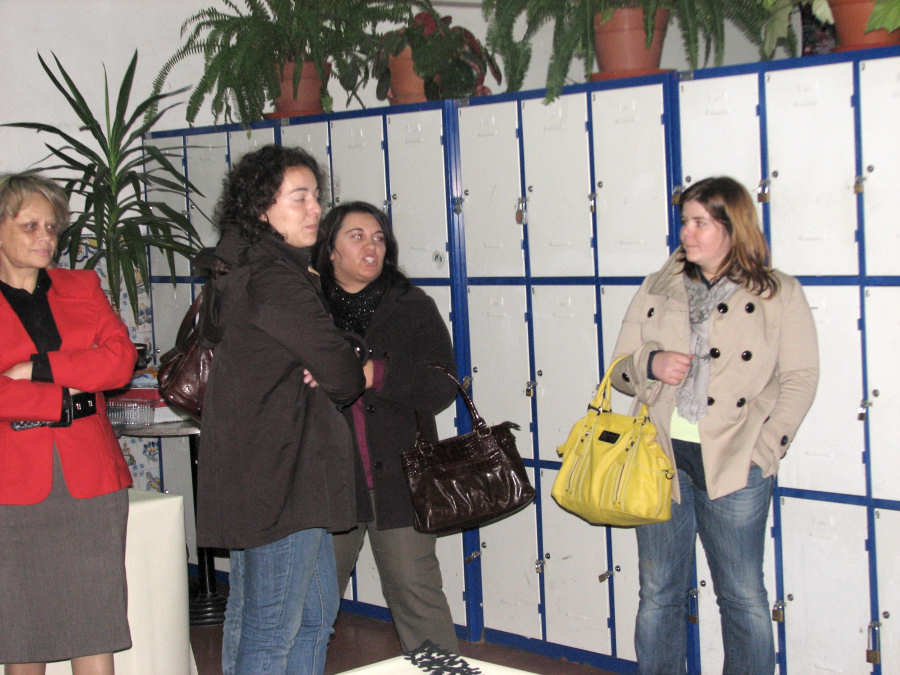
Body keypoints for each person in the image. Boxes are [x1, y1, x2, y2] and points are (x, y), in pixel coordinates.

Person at [610, 176, 819, 674]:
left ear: (733, 226)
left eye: (700, 222)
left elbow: (800, 377)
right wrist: (651, 363)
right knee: (658, 592)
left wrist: (764, 450)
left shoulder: (777, 293)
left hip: (735, 462)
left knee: (742, 597)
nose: (687, 232)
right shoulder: (658, 286)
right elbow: (618, 369)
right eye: (685, 221)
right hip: (660, 458)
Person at [196, 146, 370, 675]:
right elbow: (342, 375)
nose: (315, 209)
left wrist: (335, 354)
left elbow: (320, 352)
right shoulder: (273, 276)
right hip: (283, 472)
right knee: (271, 630)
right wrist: (341, 358)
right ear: (261, 208)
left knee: (307, 617)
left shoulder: (243, 263)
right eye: (299, 198)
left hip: (265, 468)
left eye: (316, 196)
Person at [0, 172, 136, 675]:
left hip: (90, 476)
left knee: (94, 623)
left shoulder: (82, 286)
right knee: (22, 633)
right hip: (11, 484)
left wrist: (37, 369)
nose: (46, 238)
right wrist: (61, 400)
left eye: (53, 227)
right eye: (30, 225)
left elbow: (119, 363)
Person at [314, 201, 460, 653]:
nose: (371, 246)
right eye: (356, 236)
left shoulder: (412, 306)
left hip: (399, 478)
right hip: (327, 482)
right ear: (331, 250)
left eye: (378, 237)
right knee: (310, 608)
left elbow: (443, 384)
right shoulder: (307, 309)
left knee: (419, 599)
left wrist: (377, 375)